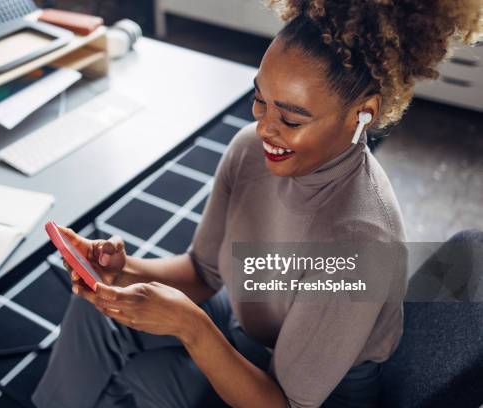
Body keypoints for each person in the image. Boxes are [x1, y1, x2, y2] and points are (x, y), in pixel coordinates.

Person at [32, 1, 482, 407]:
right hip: (248, 328)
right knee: (96, 311)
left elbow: (283, 403)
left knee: (148, 376)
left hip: (309, 397)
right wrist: (120, 272)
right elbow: (203, 272)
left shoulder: (359, 241)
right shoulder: (251, 150)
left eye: (290, 118)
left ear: (362, 112)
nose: (266, 128)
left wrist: (190, 327)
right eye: (259, 102)